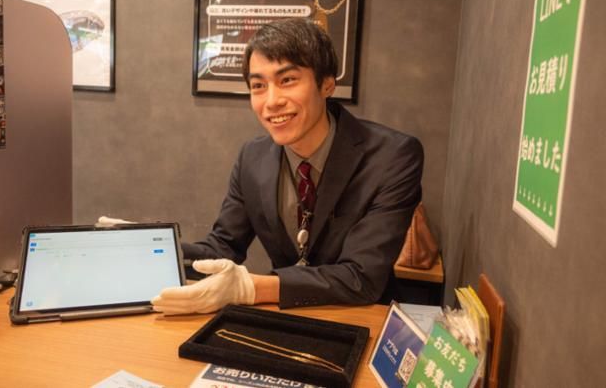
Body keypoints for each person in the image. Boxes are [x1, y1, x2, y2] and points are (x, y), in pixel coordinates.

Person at [152, 18, 423, 315]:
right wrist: (152, 249)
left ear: (327, 83)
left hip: (362, 317)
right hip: (287, 315)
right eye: (258, 86)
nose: (272, 101)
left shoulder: (391, 156)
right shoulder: (252, 157)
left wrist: (250, 288)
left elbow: (361, 278)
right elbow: (222, 248)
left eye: (288, 80)